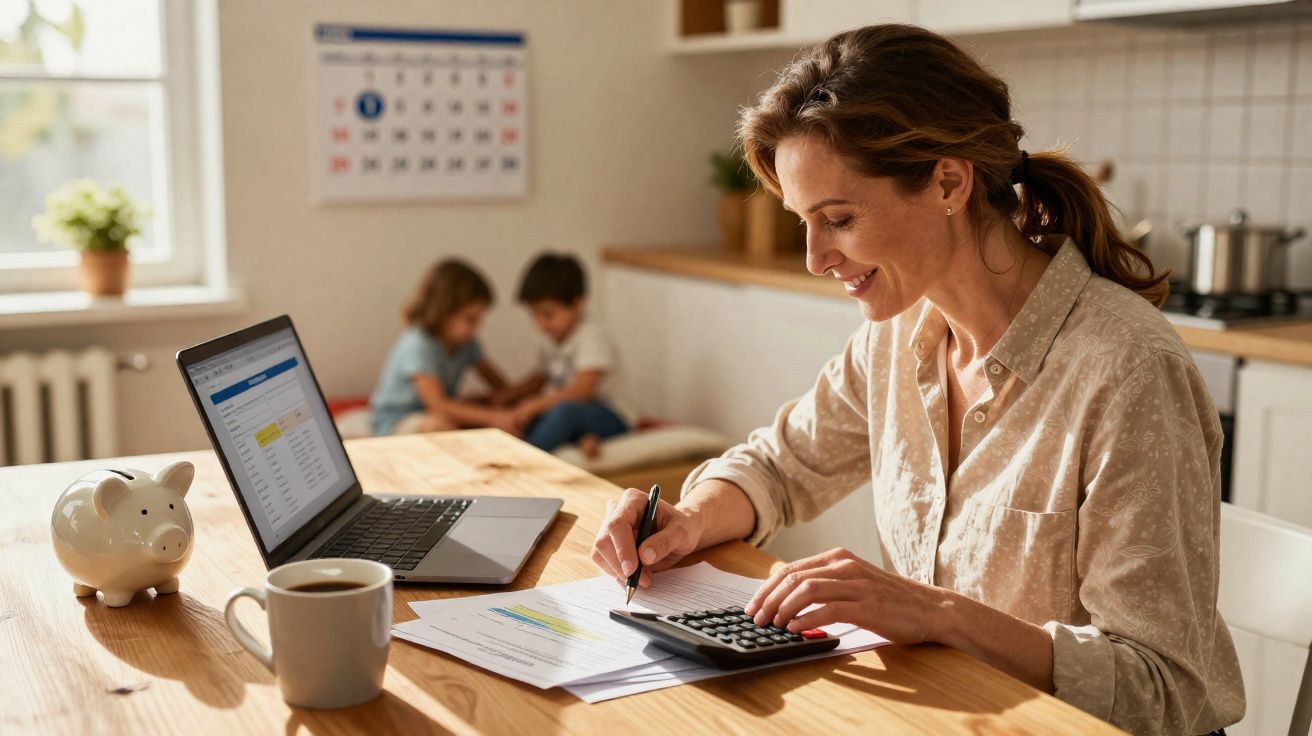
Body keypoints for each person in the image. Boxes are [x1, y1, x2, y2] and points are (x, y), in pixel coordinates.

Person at [591, 24, 1243, 736]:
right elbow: (780, 467)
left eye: (836, 219)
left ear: (949, 183)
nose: (814, 258)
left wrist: (936, 613)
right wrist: (689, 519)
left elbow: (1165, 690)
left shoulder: (1127, 369)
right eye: (803, 223)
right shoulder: (898, 335)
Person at [499, 253, 632, 456]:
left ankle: (525, 457)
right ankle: (585, 438)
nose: (540, 323)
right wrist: (505, 397)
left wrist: (536, 405)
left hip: (610, 414)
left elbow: (582, 391)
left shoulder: (591, 335)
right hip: (577, 414)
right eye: (534, 314)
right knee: (535, 413)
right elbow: (538, 379)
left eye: (548, 314)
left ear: (578, 303)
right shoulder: (552, 339)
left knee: (563, 413)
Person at [369, 259, 517, 437]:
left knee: (474, 409)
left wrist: (503, 403)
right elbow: (438, 404)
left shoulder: (467, 344)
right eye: (470, 319)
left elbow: (499, 385)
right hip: (397, 420)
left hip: (435, 414)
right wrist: (492, 417)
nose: (477, 328)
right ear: (443, 311)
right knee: (440, 424)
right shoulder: (419, 343)